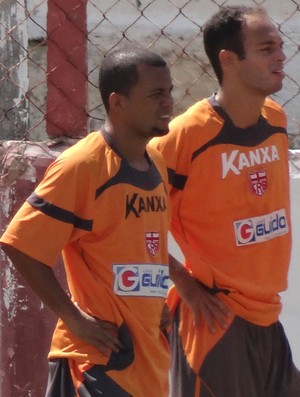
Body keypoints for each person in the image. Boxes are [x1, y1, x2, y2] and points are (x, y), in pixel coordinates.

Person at [0, 46, 174, 397]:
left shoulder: (156, 162)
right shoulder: (82, 166)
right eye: (157, 94)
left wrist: (163, 297)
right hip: (95, 365)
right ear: (118, 102)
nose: (169, 102)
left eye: (170, 92)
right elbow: (19, 243)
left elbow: (142, 246)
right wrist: (75, 319)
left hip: (147, 363)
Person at [151, 6, 300, 397]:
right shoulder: (184, 136)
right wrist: (183, 282)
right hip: (215, 321)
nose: (281, 56)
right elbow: (122, 210)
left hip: (268, 316)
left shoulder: (277, 119)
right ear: (229, 60)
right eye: (267, 48)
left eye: (281, 46)